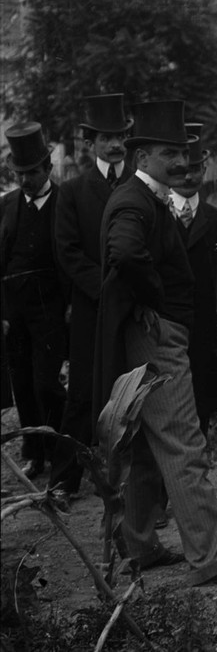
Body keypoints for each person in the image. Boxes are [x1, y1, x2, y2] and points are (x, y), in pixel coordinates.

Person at [94, 99, 217, 585]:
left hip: (152, 335)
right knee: (184, 445)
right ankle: (211, 559)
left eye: (184, 153)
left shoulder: (146, 198)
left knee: (150, 448)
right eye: (169, 153)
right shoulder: (135, 201)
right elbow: (126, 254)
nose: (180, 162)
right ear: (142, 156)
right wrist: (152, 301)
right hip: (158, 340)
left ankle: (140, 548)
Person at [50, 93, 134, 500]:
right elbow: (66, 250)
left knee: (136, 392)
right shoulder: (74, 191)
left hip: (134, 306)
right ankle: (64, 481)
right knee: (82, 393)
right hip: (92, 306)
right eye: (106, 137)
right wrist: (102, 288)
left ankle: (137, 486)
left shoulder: (139, 183)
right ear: (91, 142)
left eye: (120, 136)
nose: (115, 144)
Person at [1, 122, 67, 479]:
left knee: (47, 384)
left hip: (50, 307)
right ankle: (34, 454)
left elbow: (70, 256)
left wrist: (69, 304)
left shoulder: (63, 202)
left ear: (47, 168)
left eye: (32, 172)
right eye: (20, 173)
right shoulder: (7, 206)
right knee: (22, 383)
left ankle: (58, 452)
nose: (26, 179)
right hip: (15, 309)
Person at [169, 123, 217, 435]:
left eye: (196, 168)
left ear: (204, 167)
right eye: (182, 168)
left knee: (202, 408)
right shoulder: (155, 216)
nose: (189, 176)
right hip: (168, 332)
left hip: (205, 335)